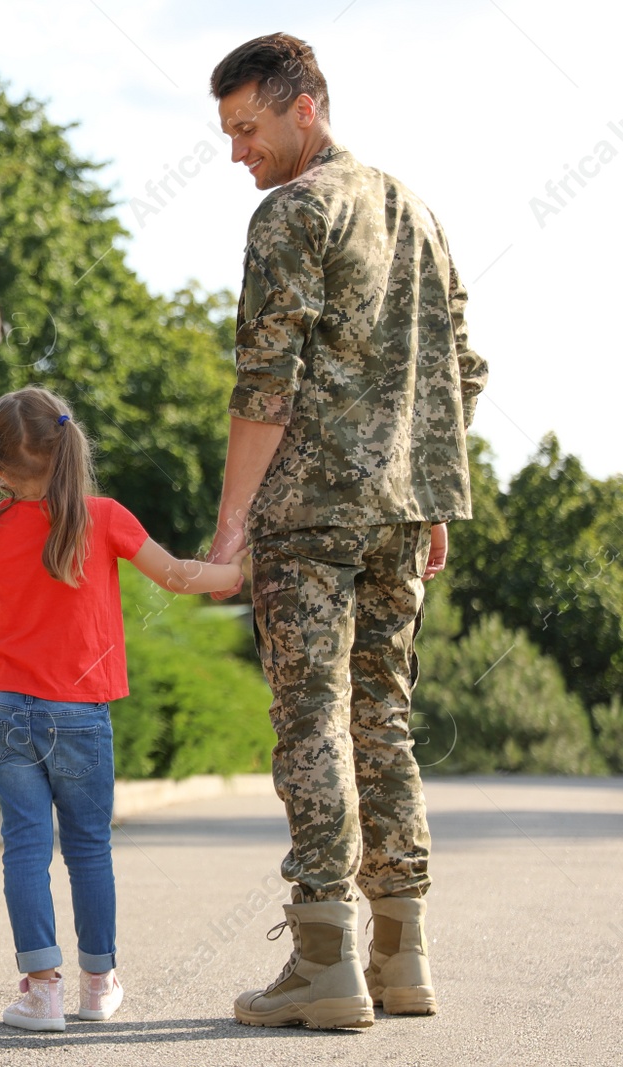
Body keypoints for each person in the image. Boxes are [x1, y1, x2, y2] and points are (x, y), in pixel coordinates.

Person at [202, 34, 489, 1030]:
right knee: (385, 720)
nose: (238, 151)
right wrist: (431, 488)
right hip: (404, 506)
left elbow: (263, 383)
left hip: (311, 511)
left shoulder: (292, 213)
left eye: (248, 127)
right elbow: (464, 365)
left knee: (313, 718)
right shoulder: (414, 209)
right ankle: (400, 959)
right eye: (229, 132)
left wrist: (232, 523)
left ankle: (323, 959)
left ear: (303, 107)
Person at [0, 386, 245, 1031]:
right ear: (69, 446)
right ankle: (98, 986)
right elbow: (180, 576)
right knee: (89, 850)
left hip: (6, 709)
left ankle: (41, 992)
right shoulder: (103, 517)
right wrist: (236, 573)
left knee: (24, 848)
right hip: (78, 713)